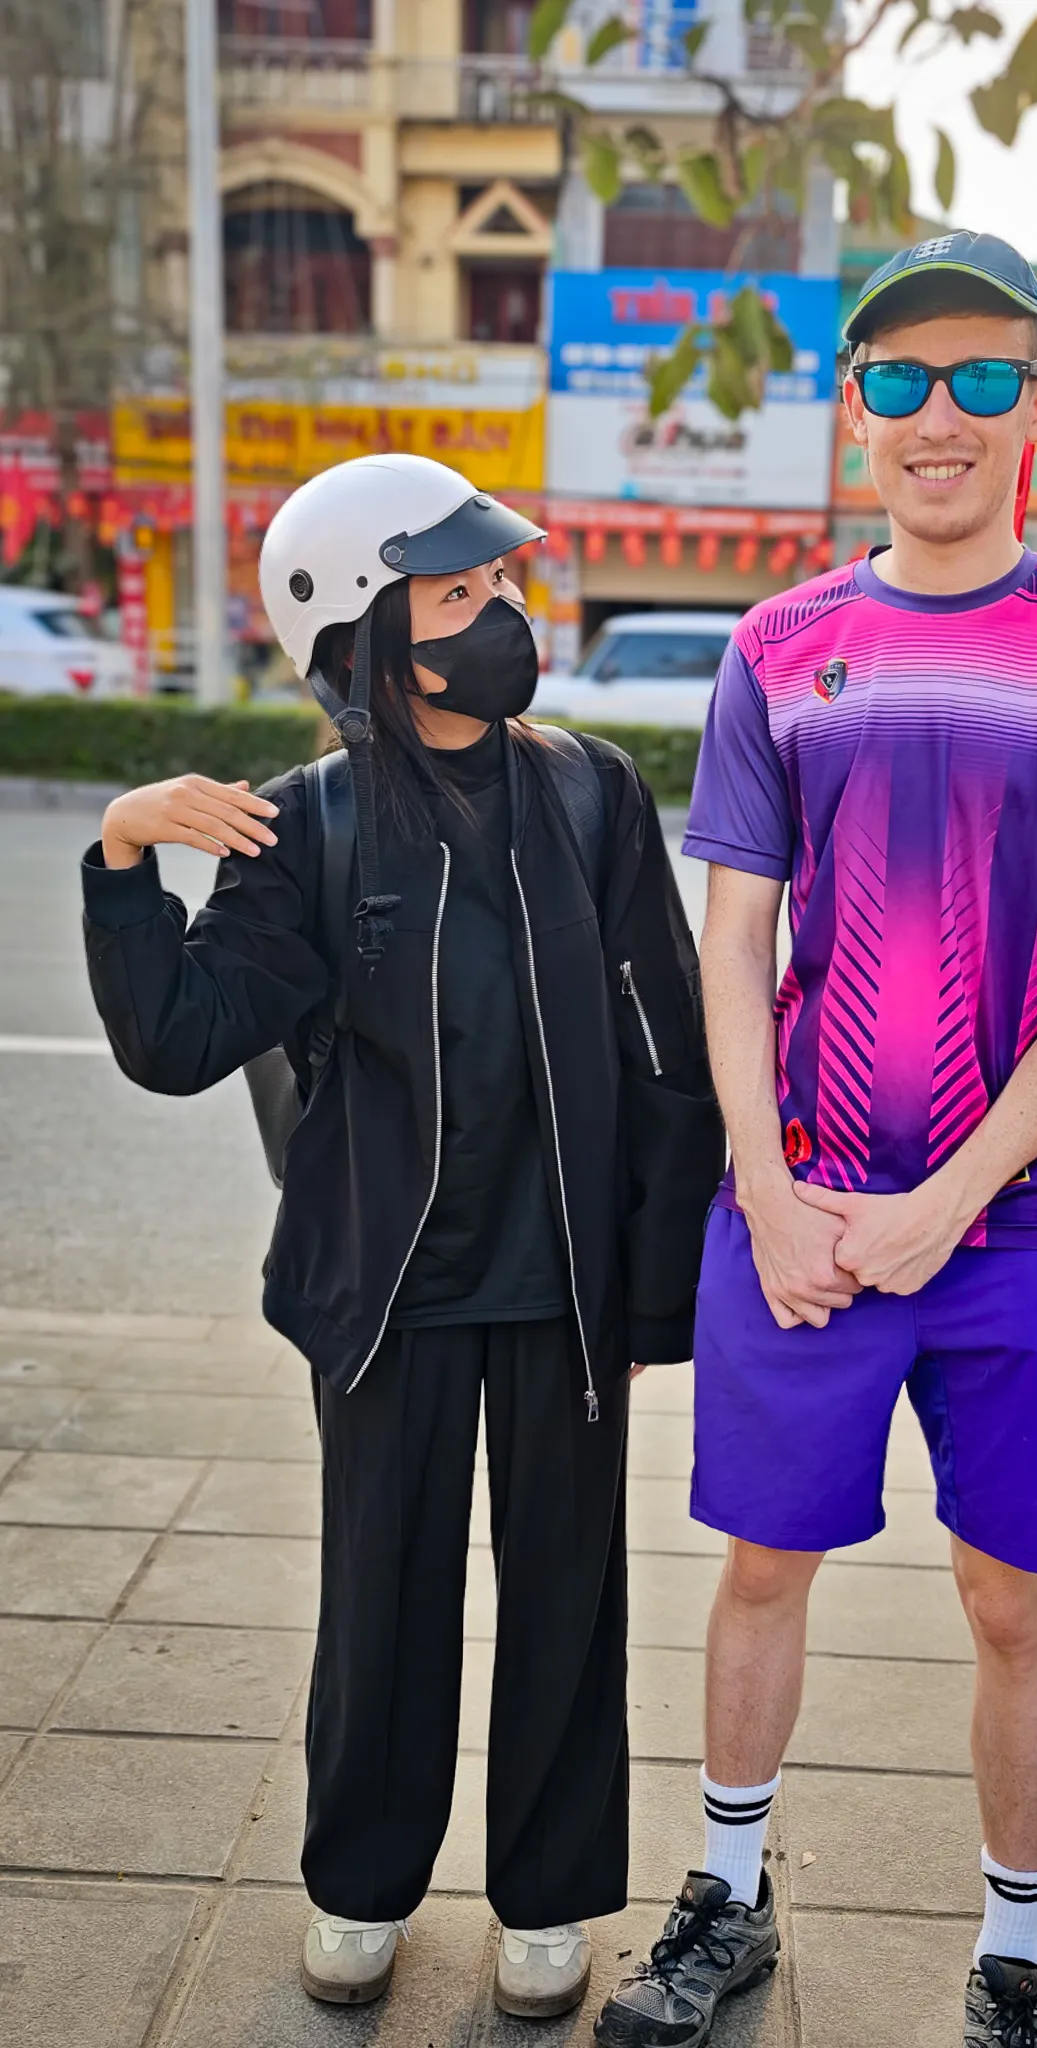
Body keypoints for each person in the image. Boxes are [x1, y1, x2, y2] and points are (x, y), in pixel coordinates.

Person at [595, 233, 1037, 2048]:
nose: (937, 412)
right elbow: (734, 943)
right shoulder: (780, 647)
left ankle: (1016, 1952)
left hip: (1011, 1231)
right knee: (761, 1570)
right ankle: (727, 1899)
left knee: (1012, 1600)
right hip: (797, 1218)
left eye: (979, 375)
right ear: (854, 411)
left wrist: (950, 1201)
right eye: (896, 378)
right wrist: (767, 1189)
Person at [81, 454, 724, 2022]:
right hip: (388, 1294)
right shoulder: (305, 824)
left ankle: (548, 1902)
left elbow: (666, 1049)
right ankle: (360, 1886)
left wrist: (655, 1297)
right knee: (381, 1598)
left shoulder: (592, 791)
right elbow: (179, 1038)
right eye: (456, 592)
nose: (500, 611)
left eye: (498, 582)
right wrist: (125, 854)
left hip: (563, 1289)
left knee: (568, 1597)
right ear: (367, 634)